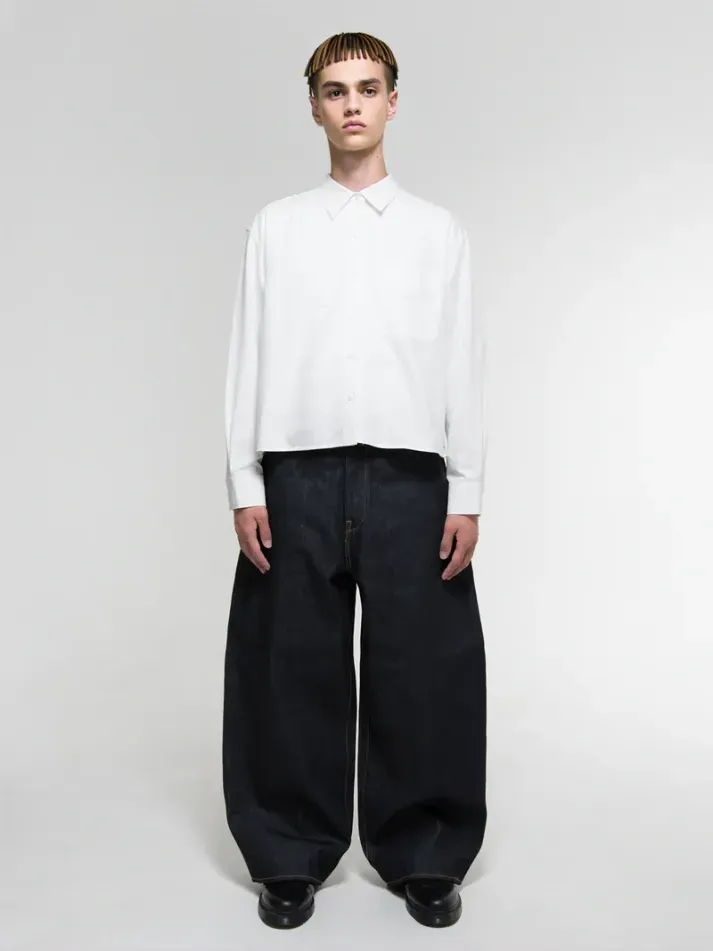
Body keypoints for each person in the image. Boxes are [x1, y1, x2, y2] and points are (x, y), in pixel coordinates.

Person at [222, 31, 487, 930]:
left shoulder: (436, 232)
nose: (352, 105)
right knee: (287, 665)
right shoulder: (277, 226)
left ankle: (425, 850)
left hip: (410, 476)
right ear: (313, 106)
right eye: (334, 90)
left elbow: (462, 364)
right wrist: (244, 480)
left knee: (424, 668)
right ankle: (288, 851)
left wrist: (466, 489)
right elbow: (247, 354)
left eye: (367, 88)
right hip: (296, 474)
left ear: (392, 102)